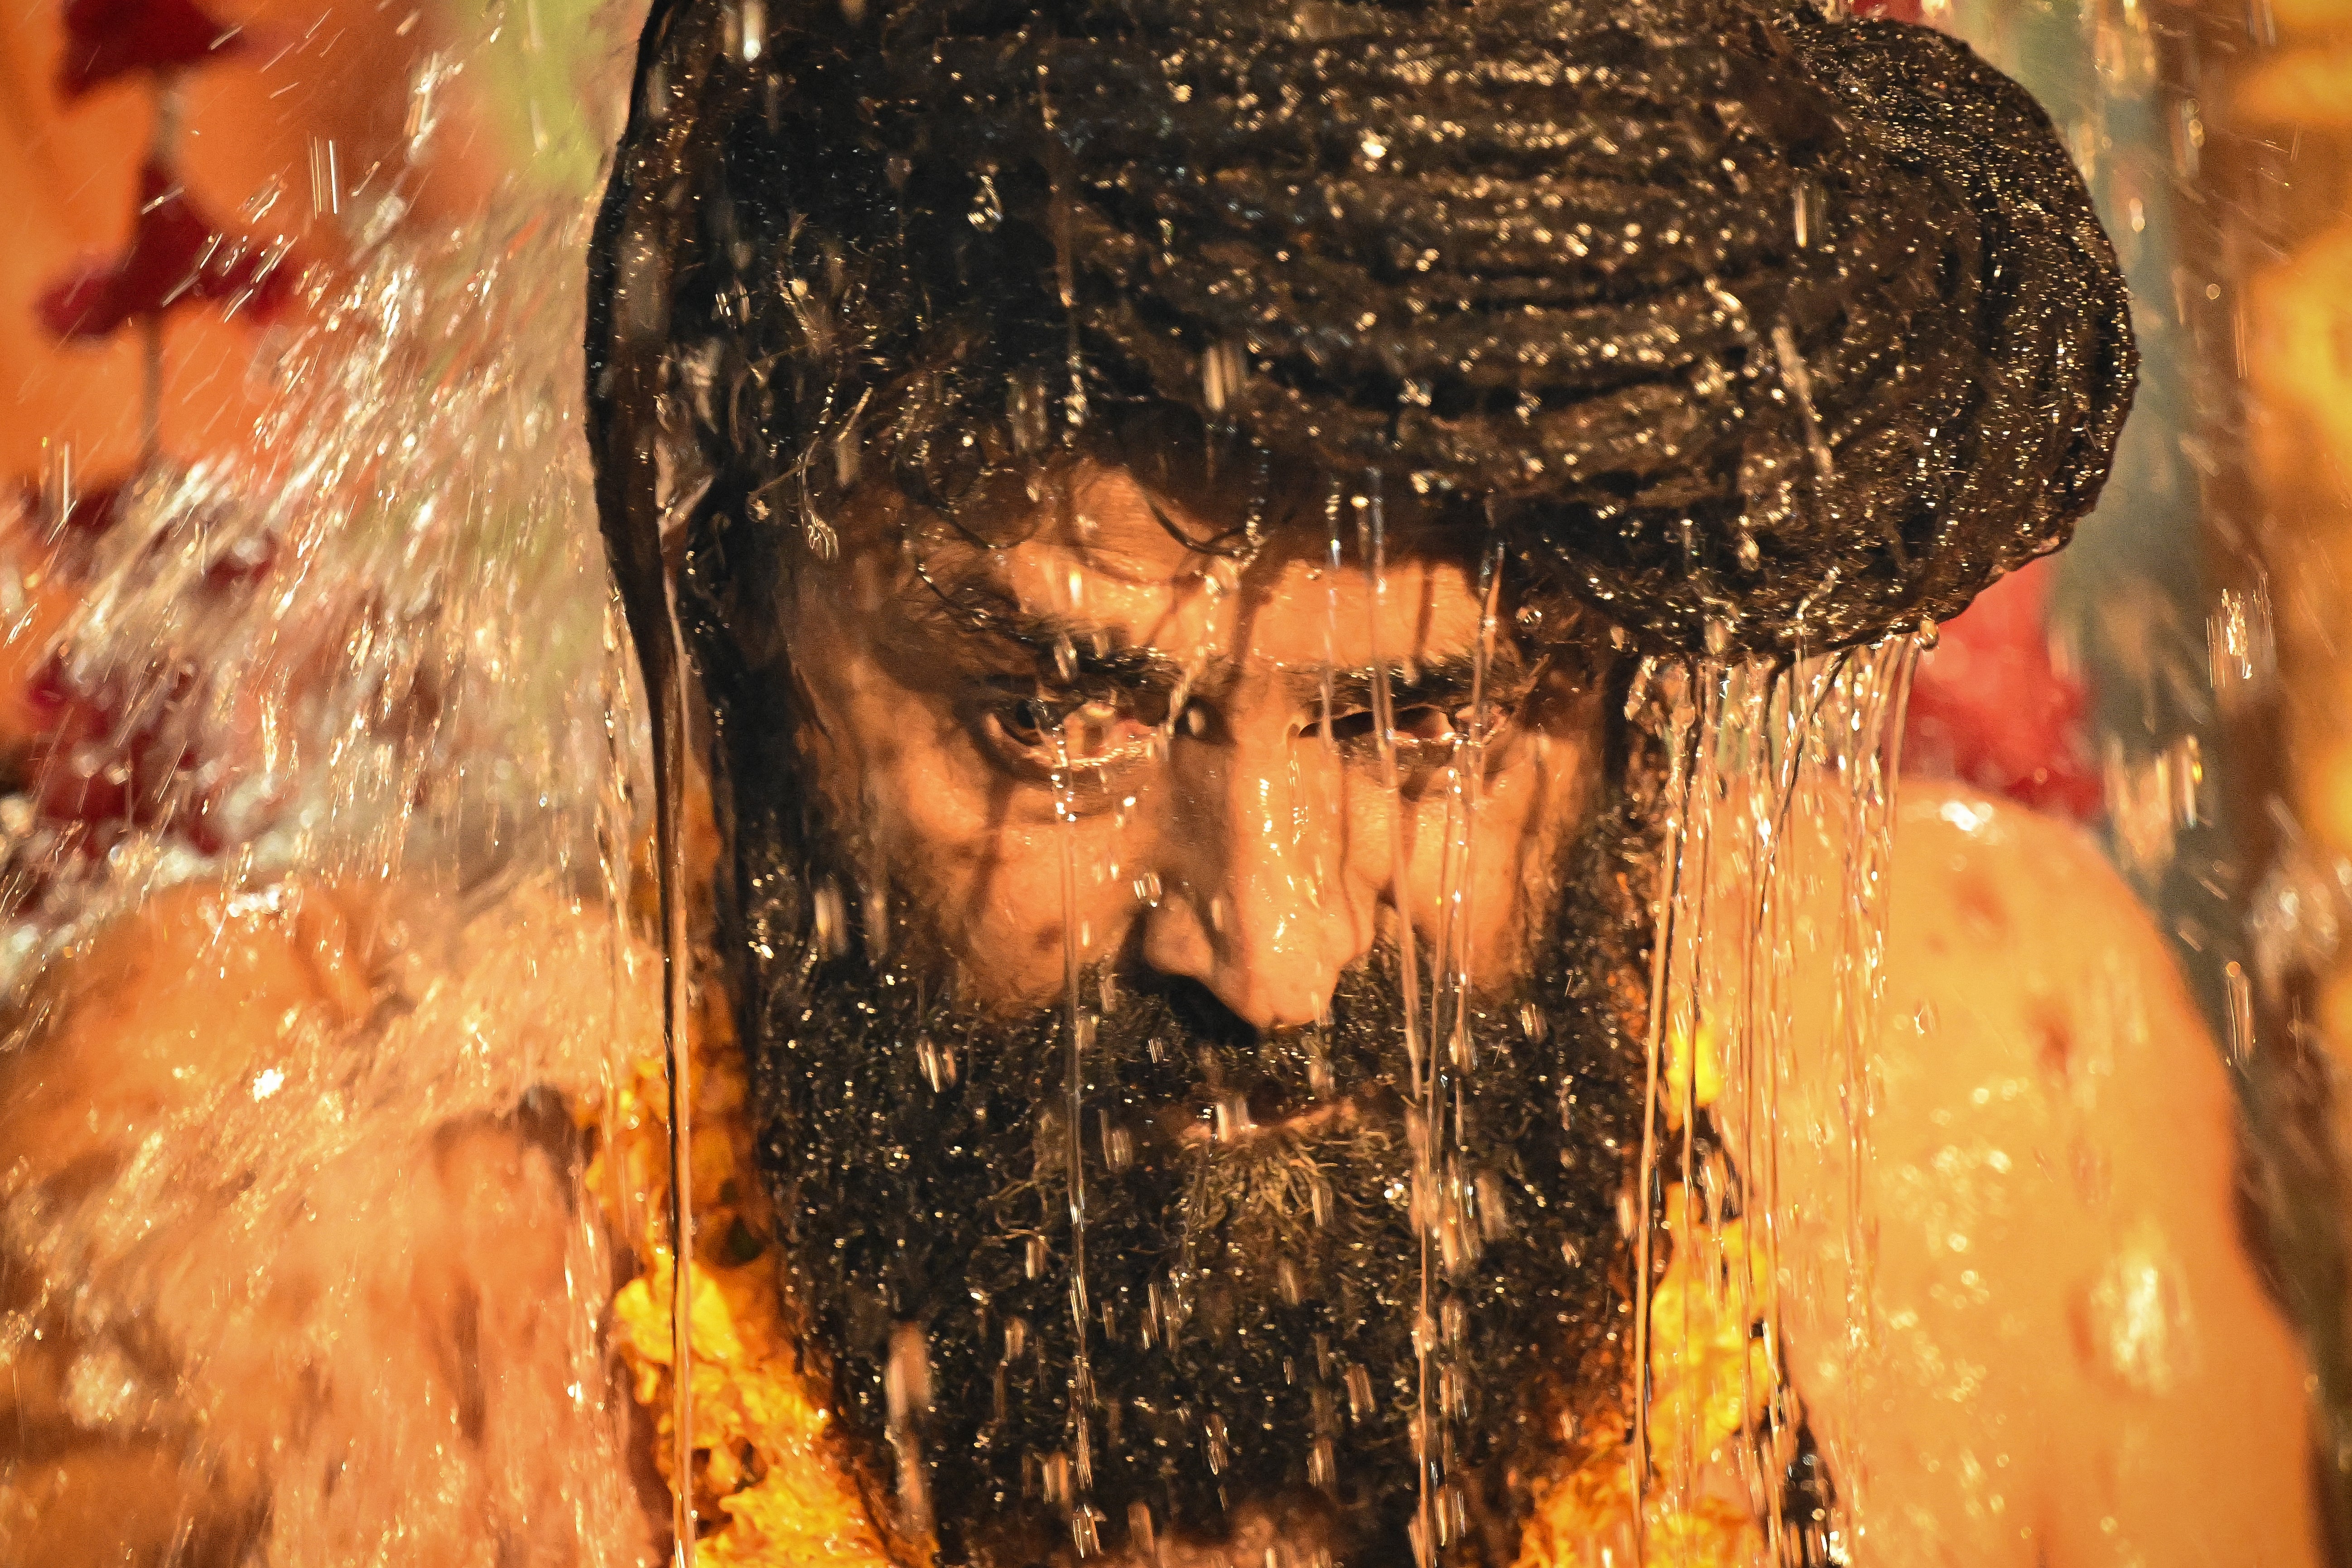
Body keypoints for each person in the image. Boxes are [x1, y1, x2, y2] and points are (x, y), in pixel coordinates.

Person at [0, 1, 2325, 1565]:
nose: (1272, 945)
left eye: (1427, 725)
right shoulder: (282, 1260)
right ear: (744, 603)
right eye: (1055, 717)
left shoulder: (2008, 1154)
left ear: (1630, 677)